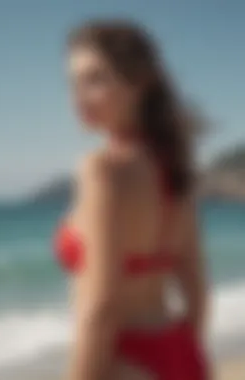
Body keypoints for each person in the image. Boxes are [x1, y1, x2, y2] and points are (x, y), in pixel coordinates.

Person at [54, 20, 209, 380]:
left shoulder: (102, 170)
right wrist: (182, 358)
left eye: (95, 79)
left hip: (126, 361)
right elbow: (196, 288)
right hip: (178, 353)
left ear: (140, 81)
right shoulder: (173, 167)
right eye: (73, 83)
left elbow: (101, 306)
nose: (78, 98)